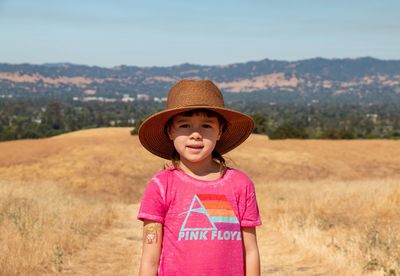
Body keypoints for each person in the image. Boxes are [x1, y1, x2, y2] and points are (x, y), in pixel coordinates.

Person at [137, 79, 262, 276]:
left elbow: (251, 250)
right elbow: (149, 257)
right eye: (185, 125)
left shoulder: (240, 184)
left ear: (220, 131)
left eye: (206, 126)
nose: (195, 134)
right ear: (170, 131)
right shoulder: (161, 185)